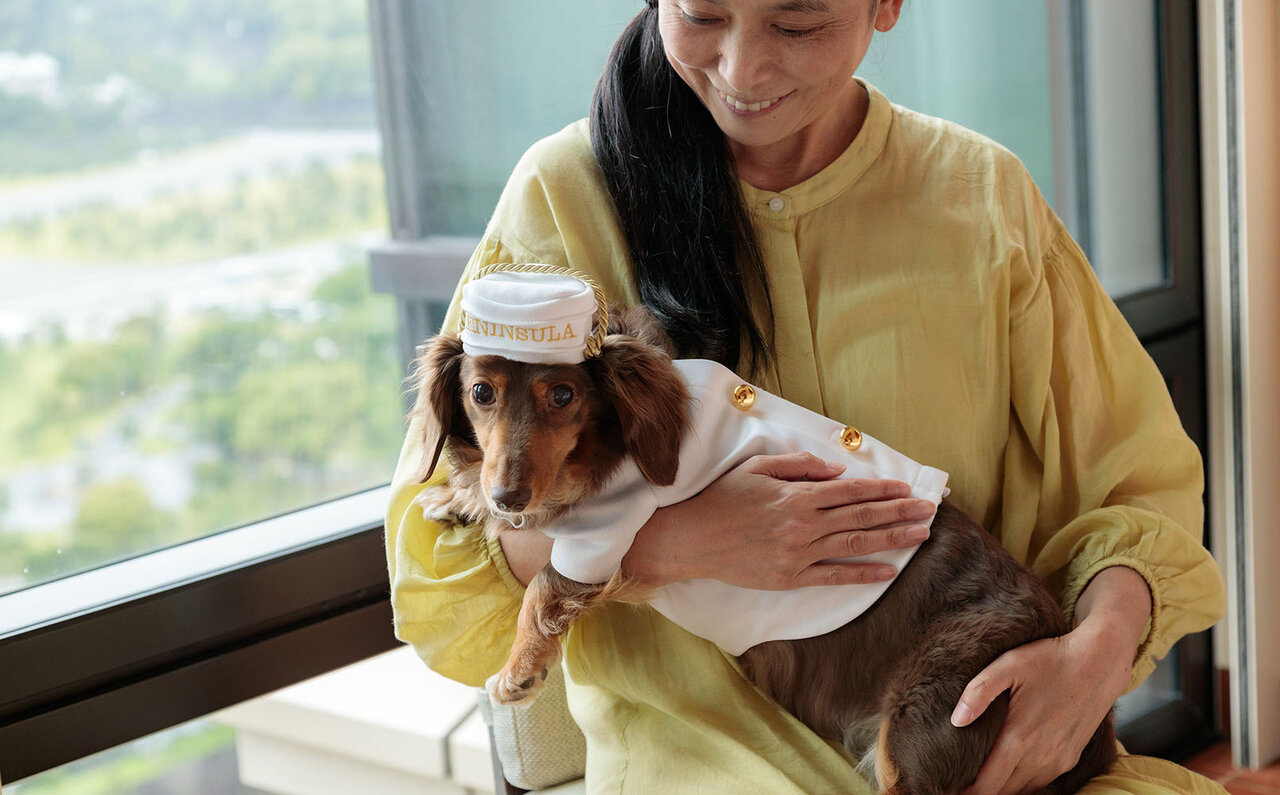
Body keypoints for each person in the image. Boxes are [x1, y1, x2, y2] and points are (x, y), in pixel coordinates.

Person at [385, 1, 1227, 792]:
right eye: (702, 15)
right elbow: (446, 558)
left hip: (973, 747)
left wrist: (1093, 658)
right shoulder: (562, 199)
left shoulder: (982, 195)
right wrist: (674, 543)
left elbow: (1136, 484)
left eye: (796, 24)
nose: (742, 69)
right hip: (700, 768)